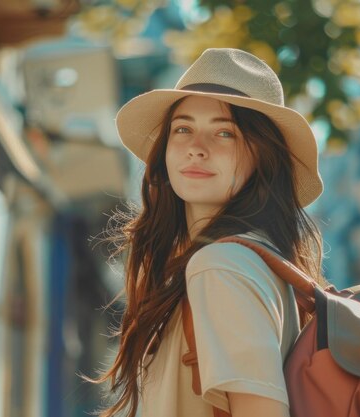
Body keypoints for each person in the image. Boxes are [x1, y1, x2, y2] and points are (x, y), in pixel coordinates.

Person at [92, 48, 326, 417]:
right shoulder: (256, 261)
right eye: (183, 128)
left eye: (224, 133)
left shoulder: (221, 267)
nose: (196, 149)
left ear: (263, 155)